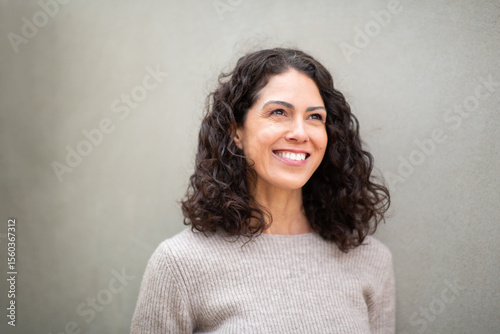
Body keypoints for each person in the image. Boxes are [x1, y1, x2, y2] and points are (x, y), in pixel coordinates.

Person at [130, 47, 395, 333]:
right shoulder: (180, 264)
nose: (300, 133)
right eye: (279, 112)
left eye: (315, 117)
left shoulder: (371, 260)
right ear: (236, 132)